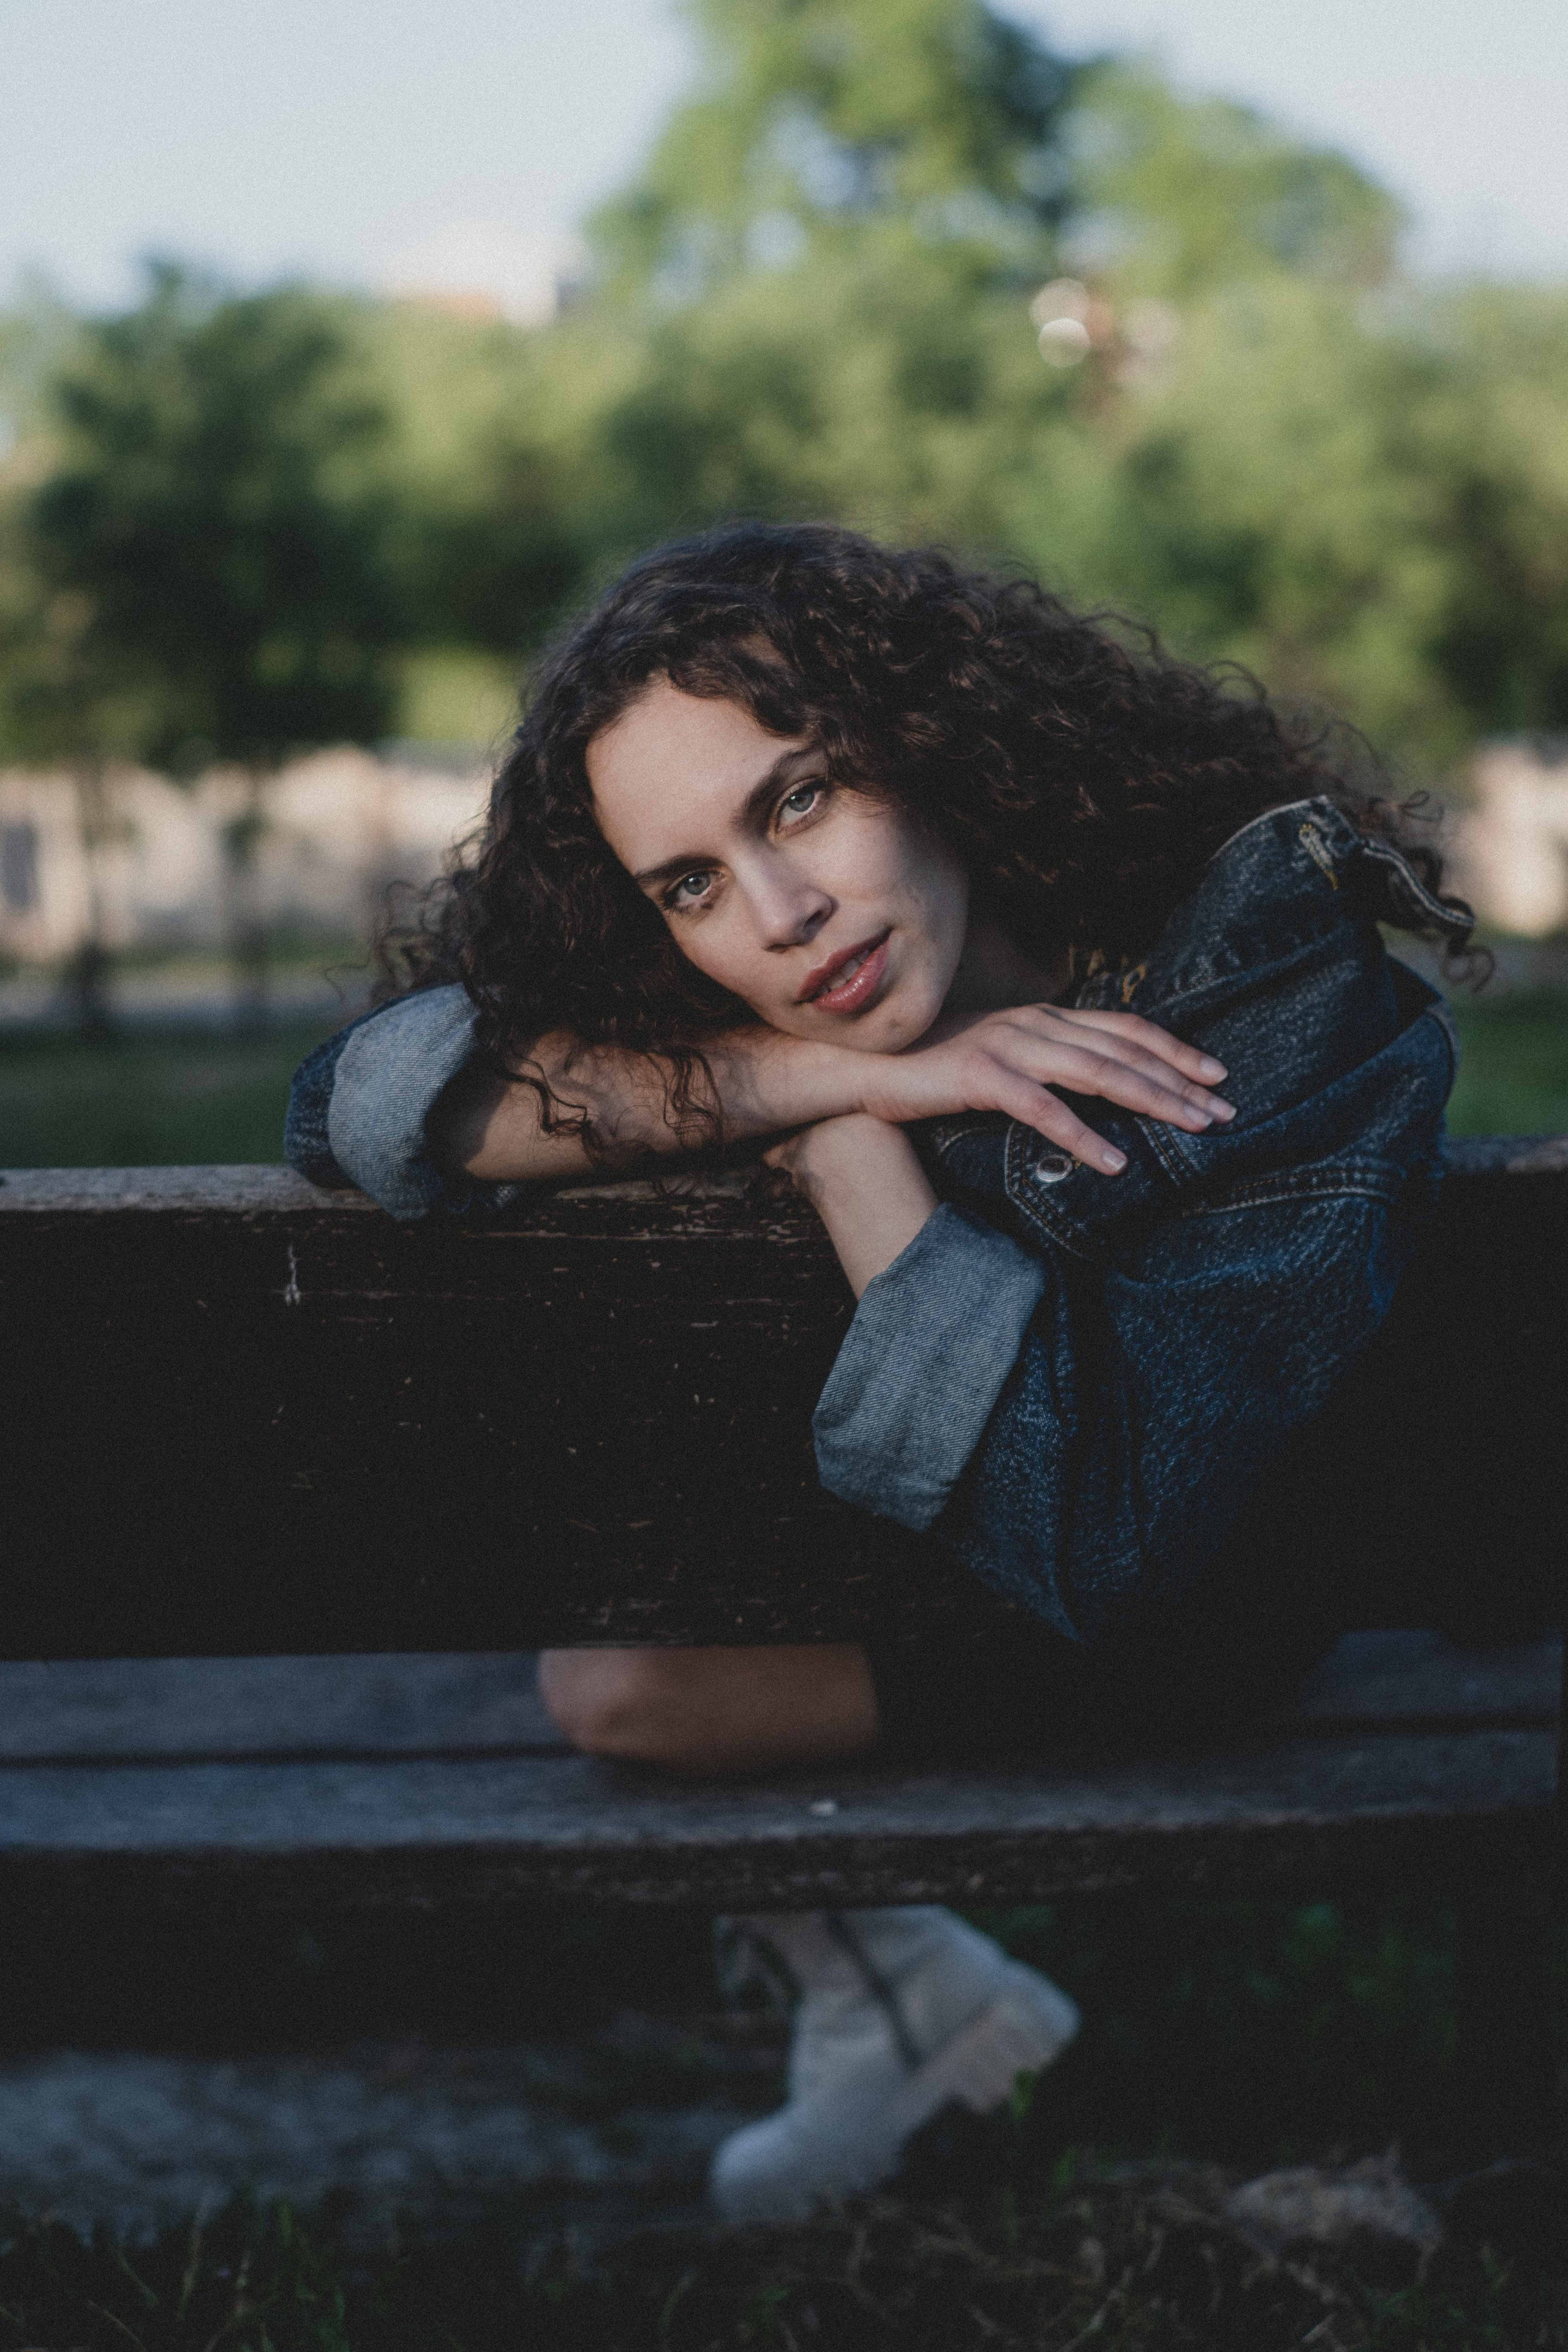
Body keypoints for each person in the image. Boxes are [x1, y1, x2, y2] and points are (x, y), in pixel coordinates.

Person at [287, 522, 1472, 2219]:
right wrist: (823, 1086)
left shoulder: (1271, 996)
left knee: (623, 1683)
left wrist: (848, 1159)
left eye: (798, 800)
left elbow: (1109, 1534)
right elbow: (354, 1102)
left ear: (936, 745)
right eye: (689, 885)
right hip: (911, 1562)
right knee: (618, 1668)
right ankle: (904, 2001)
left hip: (1191, 1607)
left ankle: (902, 2000)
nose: (781, 917)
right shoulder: (776, 1031)